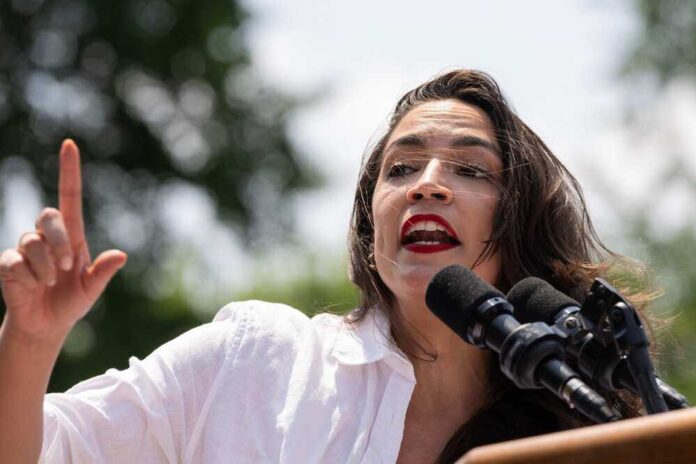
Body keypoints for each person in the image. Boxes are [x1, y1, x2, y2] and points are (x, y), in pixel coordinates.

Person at [0, 70, 651, 464]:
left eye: (469, 169)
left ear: (521, 226)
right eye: (401, 168)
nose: (426, 184)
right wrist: (29, 342)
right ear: (373, 237)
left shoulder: (578, 419)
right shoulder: (250, 362)